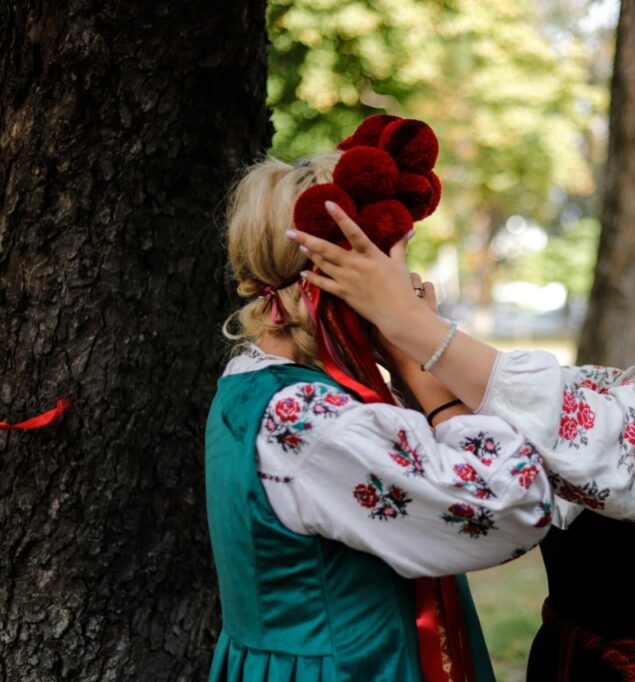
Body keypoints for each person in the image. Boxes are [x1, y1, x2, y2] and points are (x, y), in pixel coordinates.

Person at [291, 208, 635, 681]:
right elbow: (502, 416)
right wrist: (409, 332)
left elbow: (580, 431)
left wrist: (412, 326)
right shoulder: (611, 388)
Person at [205, 151, 557, 682]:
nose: (410, 283)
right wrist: (422, 368)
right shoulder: (313, 420)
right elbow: (514, 505)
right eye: (395, 265)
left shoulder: (254, 381)